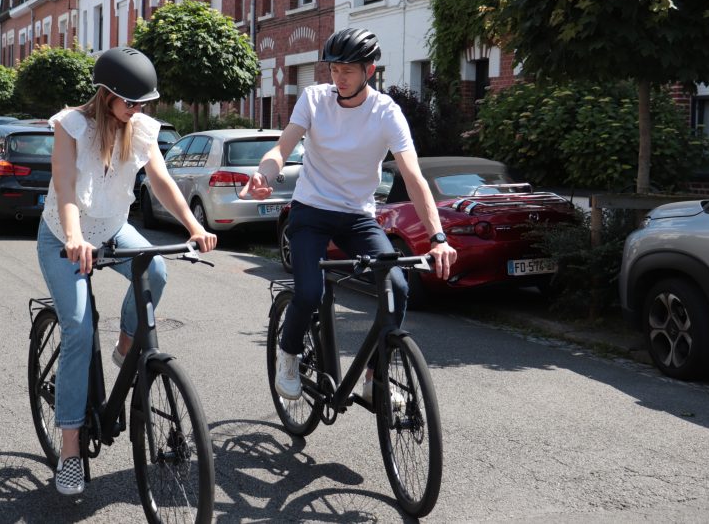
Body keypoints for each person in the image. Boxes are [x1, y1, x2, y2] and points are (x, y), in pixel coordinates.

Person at [36, 46, 217, 496]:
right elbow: (65, 185)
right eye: (130, 102)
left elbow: (161, 180)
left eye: (142, 103)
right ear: (106, 94)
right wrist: (76, 238)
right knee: (78, 330)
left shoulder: (140, 130)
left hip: (114, 229)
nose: (137, 110)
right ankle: (71, 448)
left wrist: (195, 226)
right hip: (64, 236)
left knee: (156, 271)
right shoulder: (72, 126)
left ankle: (125, 345)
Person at [242, 28, 458, 403]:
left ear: (369, 70)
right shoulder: (313, 99)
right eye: (334, 70)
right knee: (310, 291)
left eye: (347, 71)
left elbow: (413, 177)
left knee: (398, 288)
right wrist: (264, 175)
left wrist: (438, 238)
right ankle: (289, 354)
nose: (337, 79)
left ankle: (375, 376)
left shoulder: (386, 113)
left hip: (357, 216)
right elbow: (283, 147)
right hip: (311, 210)